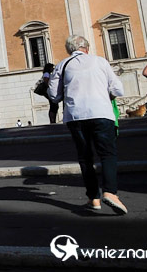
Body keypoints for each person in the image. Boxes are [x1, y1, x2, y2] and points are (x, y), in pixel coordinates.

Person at [48, 35, 127, 214]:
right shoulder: (100, 62)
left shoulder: (63, 65)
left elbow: (54, 95)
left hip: (76, 116)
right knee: (107, 154)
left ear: (70, 50)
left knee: (85, 158)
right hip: (101, 113)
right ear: (87, 47)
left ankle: (94, 198)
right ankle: (111, 192)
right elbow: (118, 89)